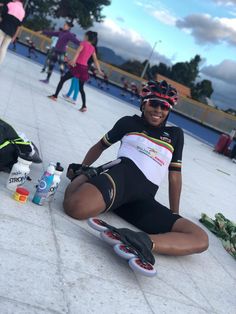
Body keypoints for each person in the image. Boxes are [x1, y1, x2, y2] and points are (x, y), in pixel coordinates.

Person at [63, 80, 209, 261]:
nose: (158, 110)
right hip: (121, 177)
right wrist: (84, 169)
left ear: (169, 110)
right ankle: (84, 177)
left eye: (164, 106)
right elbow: (99, 146)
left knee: (200, 239)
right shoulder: (128, 123)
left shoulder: (175, 135)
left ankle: (143, 241)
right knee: (75, 208)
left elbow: (175, 176)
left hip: (143, 199)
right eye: (153, 103)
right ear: (143, 103)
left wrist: (174, 213)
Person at [48, 31, 103, 112]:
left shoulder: (83, 43)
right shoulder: (92, 48)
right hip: (84, 69)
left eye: (85, 35)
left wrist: (73, 61)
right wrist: (99, 70)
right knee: (81, 88)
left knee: (63, 79)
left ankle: (55, 96)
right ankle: (84, 106)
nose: (84, 36)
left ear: (87, 37)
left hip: (77, 66)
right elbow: (96, 60)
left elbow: (78, 52)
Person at [0, 0, 25, 65]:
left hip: (2, 27)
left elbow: (2, 16)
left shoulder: (10, 4)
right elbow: (19, 26)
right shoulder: (23, 11)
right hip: (11, 33)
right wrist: (14, 36)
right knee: (4, 48)